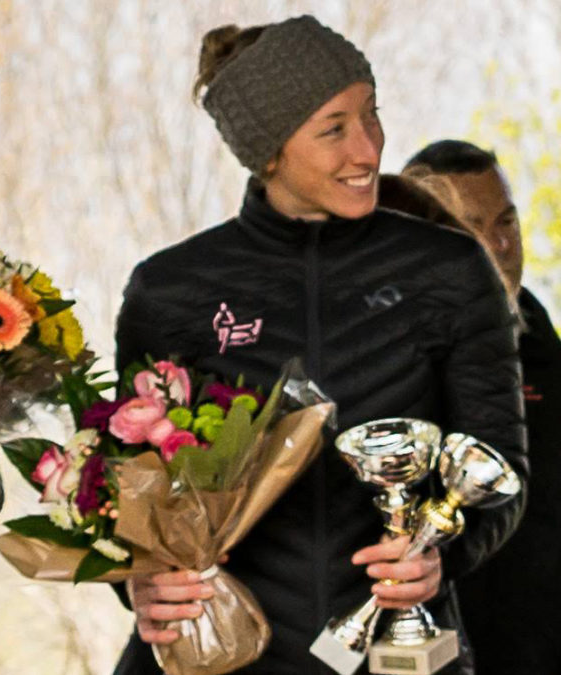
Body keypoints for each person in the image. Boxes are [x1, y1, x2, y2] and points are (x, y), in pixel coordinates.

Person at [112, 16, 526, 675]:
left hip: (401, 656)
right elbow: (123, 488)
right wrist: (139, 582)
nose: (368, 150)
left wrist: (443, 550)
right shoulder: (172, 289)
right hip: (224, 656)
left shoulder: (449, 269)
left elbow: (500, 464)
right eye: (333, 129)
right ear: (269, 151)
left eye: (372, 114)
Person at [400, 140, 561, 675]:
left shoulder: (544, 350)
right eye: (473, 230)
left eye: (507, 223)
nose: (499, 245)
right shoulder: (371, 359)